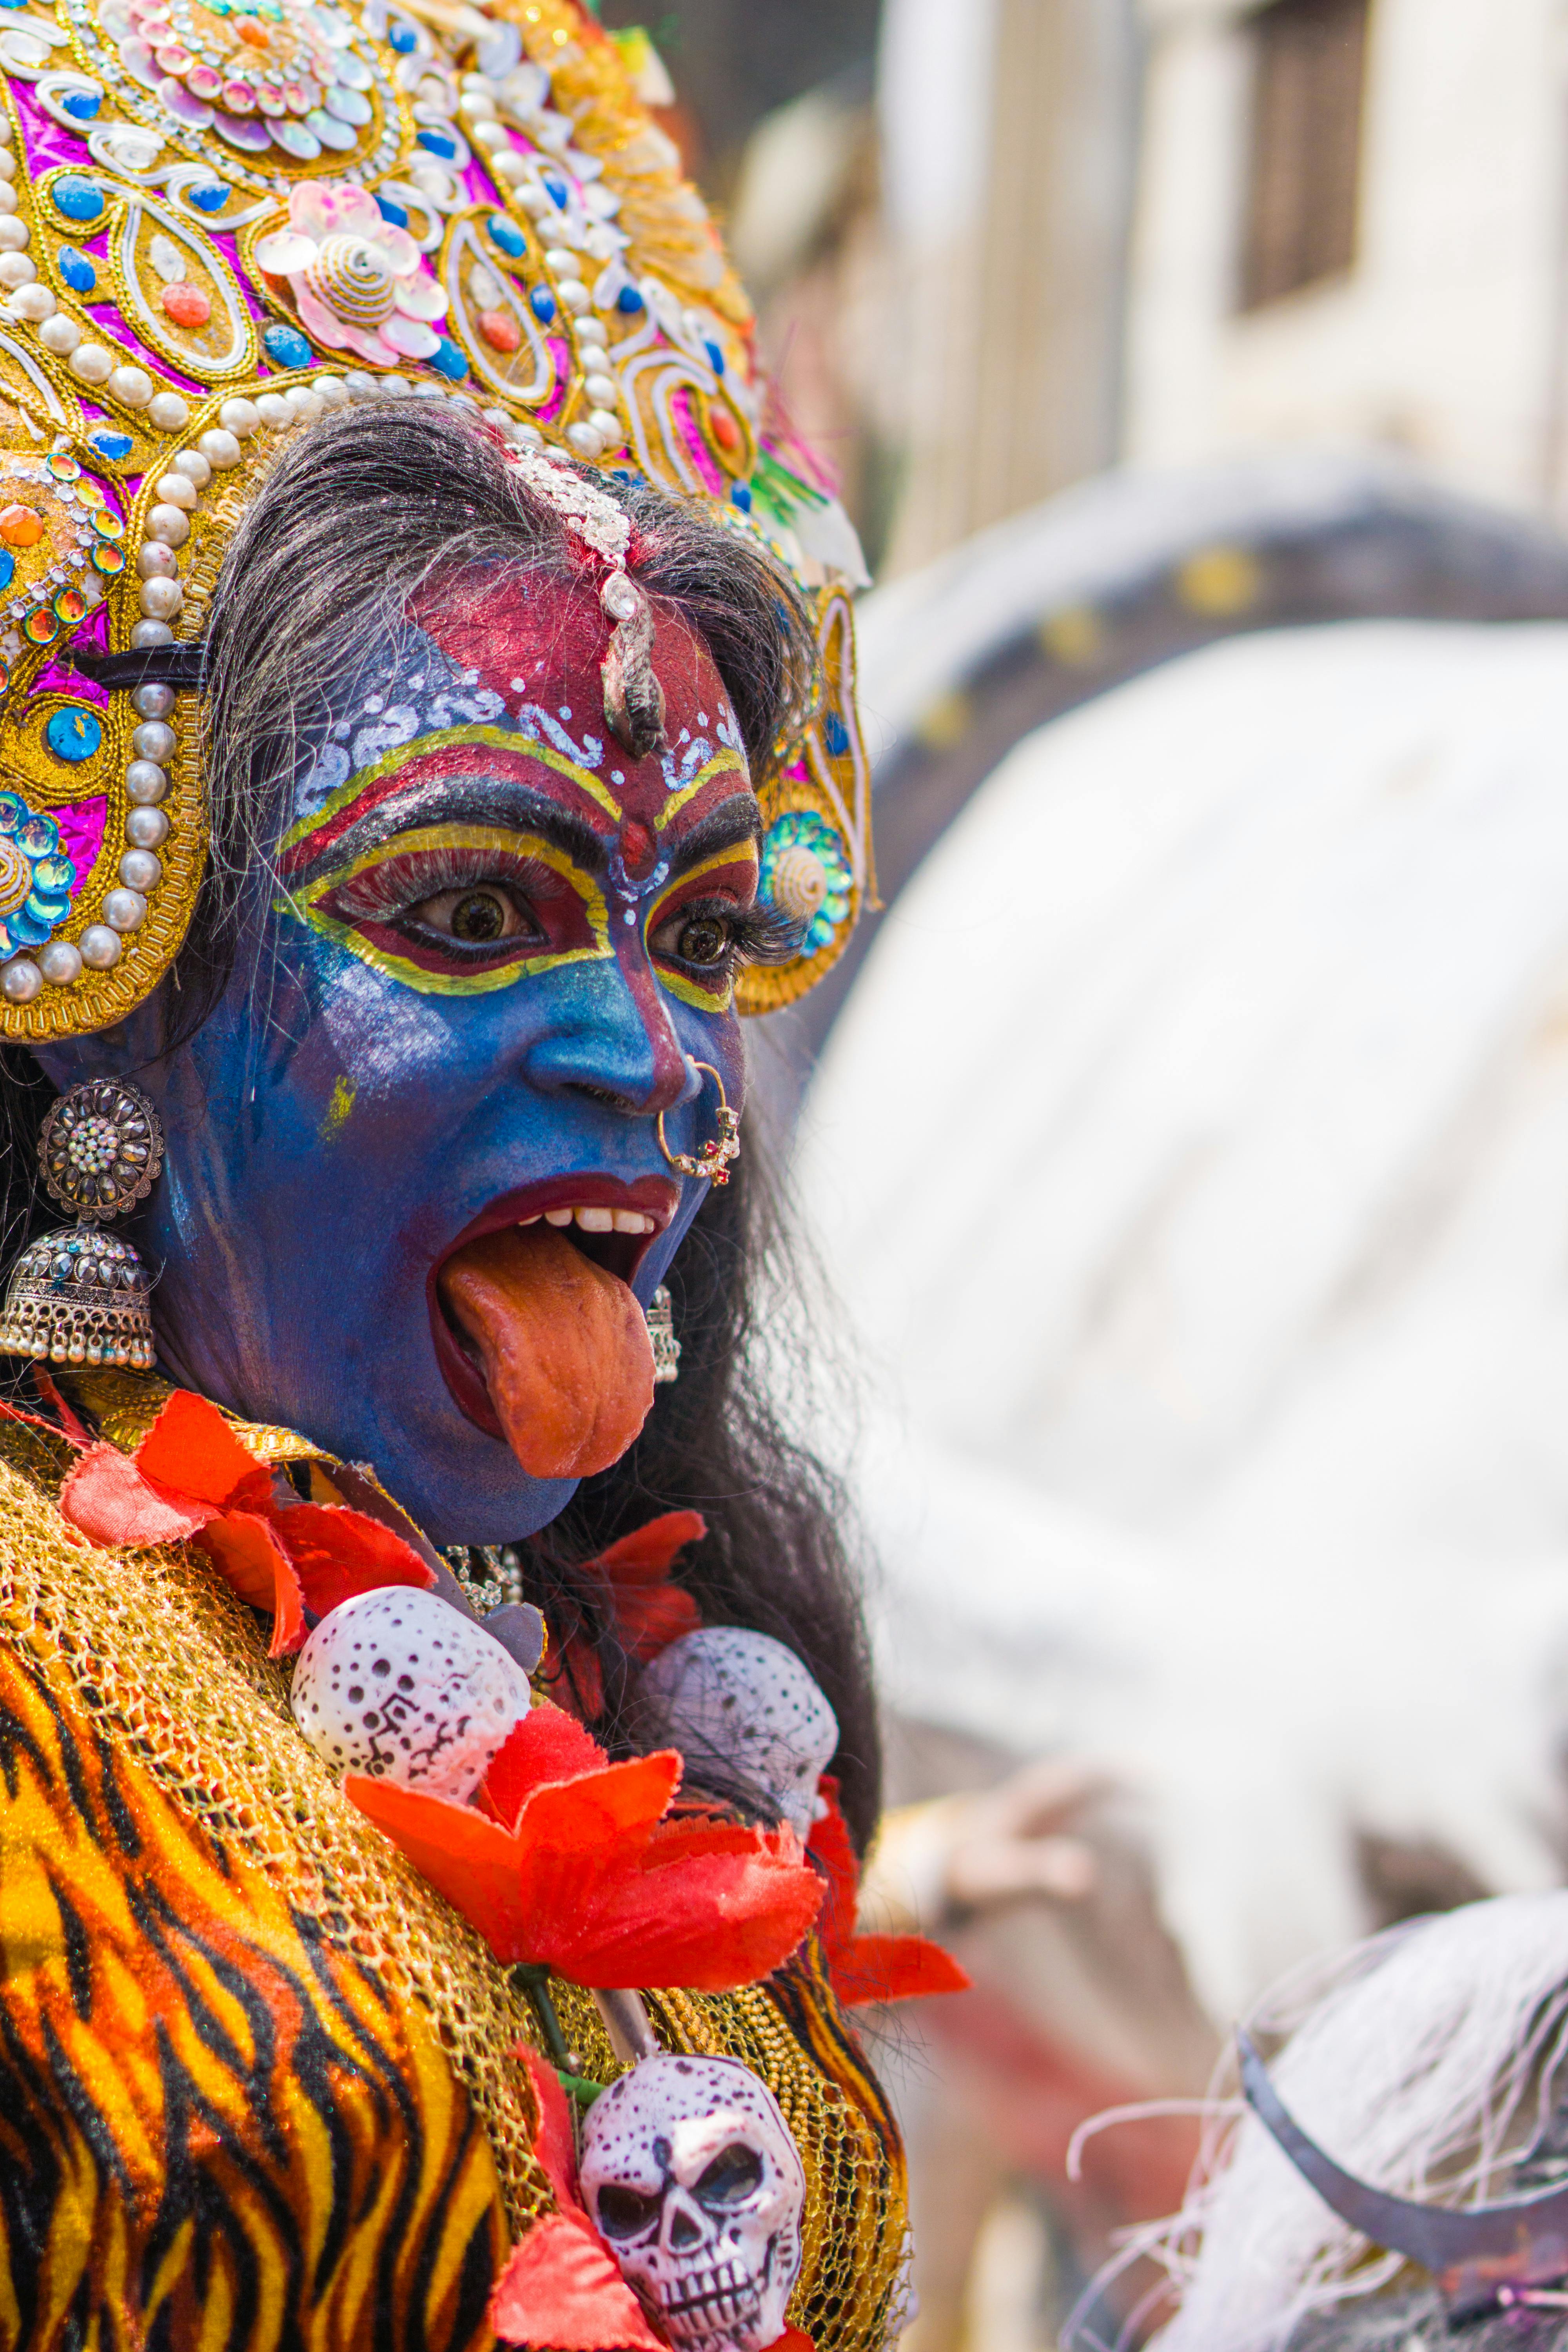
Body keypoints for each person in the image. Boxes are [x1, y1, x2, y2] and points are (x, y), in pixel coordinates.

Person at [0, 5, 901, 2345]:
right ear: (122, 982)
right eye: (472, 910)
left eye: (707, 933)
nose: (646, 1055)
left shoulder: (636, 1656)